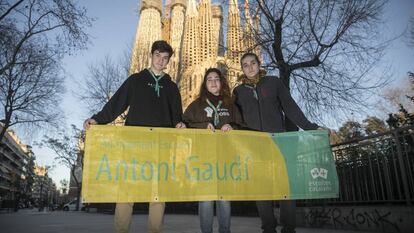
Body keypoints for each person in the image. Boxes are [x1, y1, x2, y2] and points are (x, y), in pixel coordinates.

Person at [83, 40, 186, 233]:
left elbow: (177, 117)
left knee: (158, 193)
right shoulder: (136, 80)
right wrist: (97, 119)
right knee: (127, 191)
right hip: (134, 146)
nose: (160, 60)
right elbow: (116, 103)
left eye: (165, 58)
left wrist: (180, 124)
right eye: (157, 55)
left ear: (168, 61)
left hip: (161, 147)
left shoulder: (172, 87)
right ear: (151, 55)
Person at [233, 52, 321, 233]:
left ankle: (289, 228)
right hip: (255, 146)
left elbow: (290, 107)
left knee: (285, 185)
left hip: (279, 142)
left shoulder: (273, 83)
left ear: (259, 64)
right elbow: (236, 119)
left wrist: (310, 127)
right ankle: (268, 228)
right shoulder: (238, 92)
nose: (249, 67)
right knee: (261, 188)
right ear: (242, 69)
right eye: (245, 65)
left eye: (252, 63)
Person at [183, 67, 242, 233]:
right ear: (205, 84)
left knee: (224, 199)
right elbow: (185, 124)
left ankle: (225, 230)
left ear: (221, 82)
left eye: (216, 79)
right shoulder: (196, 105)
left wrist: (232, 126)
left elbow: (241, 125)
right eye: (209, 79)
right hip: (204, 158)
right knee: (206, 199)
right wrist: (202, 126)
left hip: (226, 157)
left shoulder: (230, 104)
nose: (213, 82)